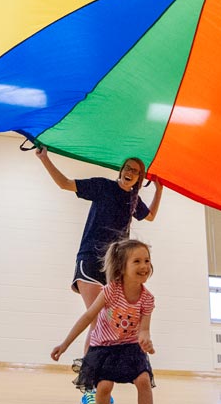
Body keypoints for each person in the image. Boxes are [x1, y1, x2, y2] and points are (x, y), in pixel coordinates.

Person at [36, 147, 162, 357]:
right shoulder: (102, 186)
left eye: (135, 171)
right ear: (121, 170)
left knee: (103, 320)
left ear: (139, 179)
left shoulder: (133, 200)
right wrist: (44, 158)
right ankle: (90, 376)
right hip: (90, 260)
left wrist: (159, 191)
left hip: (114, 267)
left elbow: (149, 216)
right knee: (100, 319)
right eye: (127, 168)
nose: (129, 172)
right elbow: (64, 184)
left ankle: (89, 372)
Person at [51, 239, 156, 404]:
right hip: (104, 347)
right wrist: (65, 344)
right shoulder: (111, 291)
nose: (144, 266)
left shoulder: (147, 299)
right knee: (105, 386)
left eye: (147, 261)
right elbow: (88, 317)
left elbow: (144, 329)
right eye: (137, 261)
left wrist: (145, 339)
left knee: (143, 381)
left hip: (130, 346)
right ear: (122, 267)